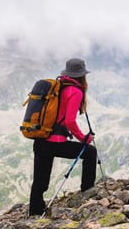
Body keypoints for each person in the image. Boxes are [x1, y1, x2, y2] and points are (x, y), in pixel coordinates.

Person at [29, 58, 97, 216]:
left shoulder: (58, 87)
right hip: (56, 143)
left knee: (40, 181)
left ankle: (34, 213)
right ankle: (87, 192)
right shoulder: (75, 92)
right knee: (90, 152)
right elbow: (69, 121)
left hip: (41, 138)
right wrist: (84, 139)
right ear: (82, 75)